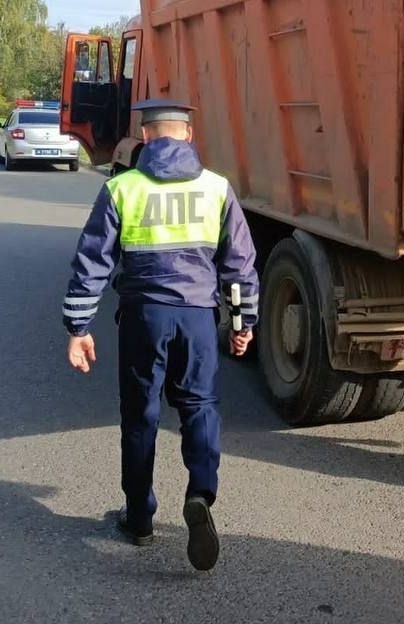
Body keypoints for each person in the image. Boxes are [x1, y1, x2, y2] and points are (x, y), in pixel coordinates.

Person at [61, 98, 259, 571]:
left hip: (143, 316)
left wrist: (78, 327)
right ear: (188, 136)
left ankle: (140, 517)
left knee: (140, 414)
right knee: (200, 407)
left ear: (145, 137)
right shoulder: (217, 189)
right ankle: (200, 494)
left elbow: (93, 260)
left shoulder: (122, 188)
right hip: (197, 317)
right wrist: (241, 323)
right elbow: (239, 265)